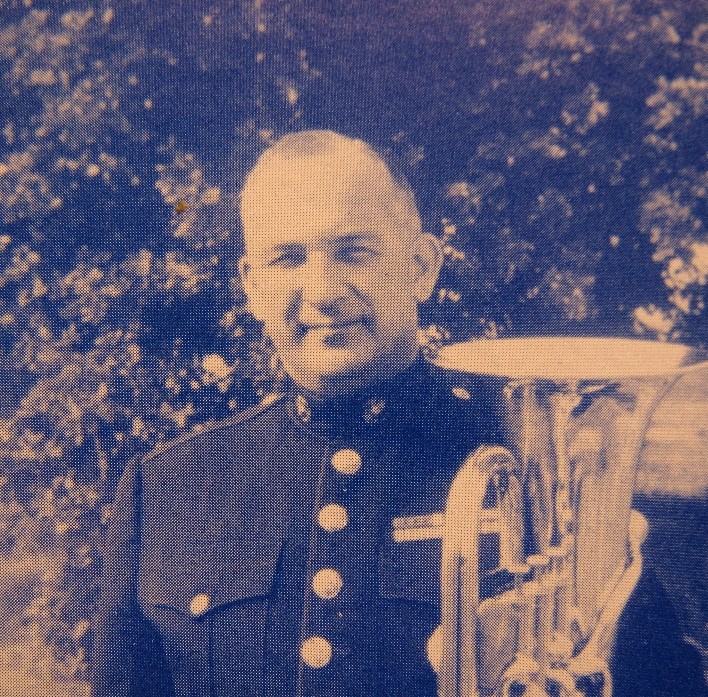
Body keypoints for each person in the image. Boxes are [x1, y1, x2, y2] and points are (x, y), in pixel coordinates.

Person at [90, 130, 706, 697]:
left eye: (354, 253)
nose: (323, 291)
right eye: (287, 259)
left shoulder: (540, 468)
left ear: (421, 268)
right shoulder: (167, 487)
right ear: (252, 286)